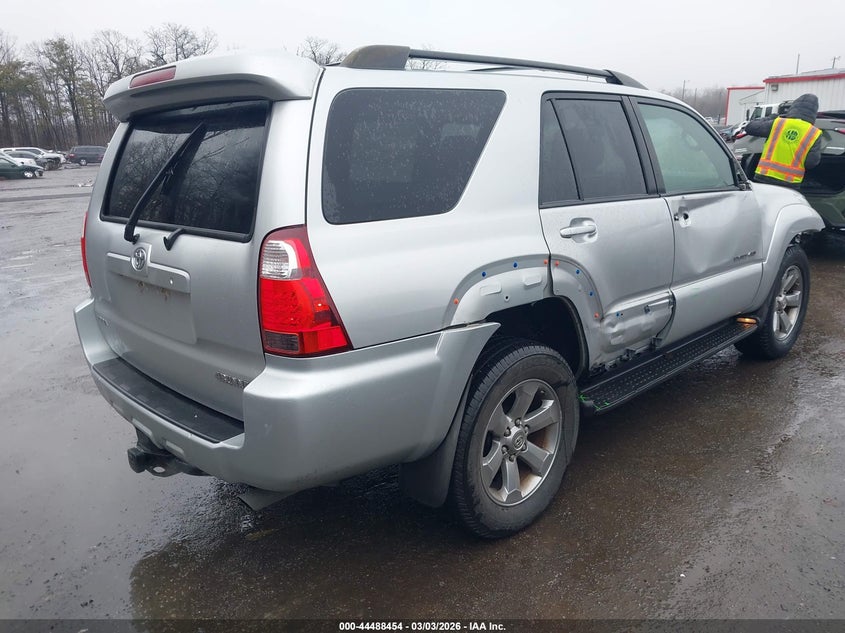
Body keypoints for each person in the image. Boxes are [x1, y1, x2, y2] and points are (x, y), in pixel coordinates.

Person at [745, 93, 822, 189]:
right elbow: (811, 162)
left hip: (765, 177)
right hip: (790, 183)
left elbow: (750, 127)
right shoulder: (814, 133)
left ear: (793, 107)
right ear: (814, 113)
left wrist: (772, 117)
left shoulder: (778, 123)